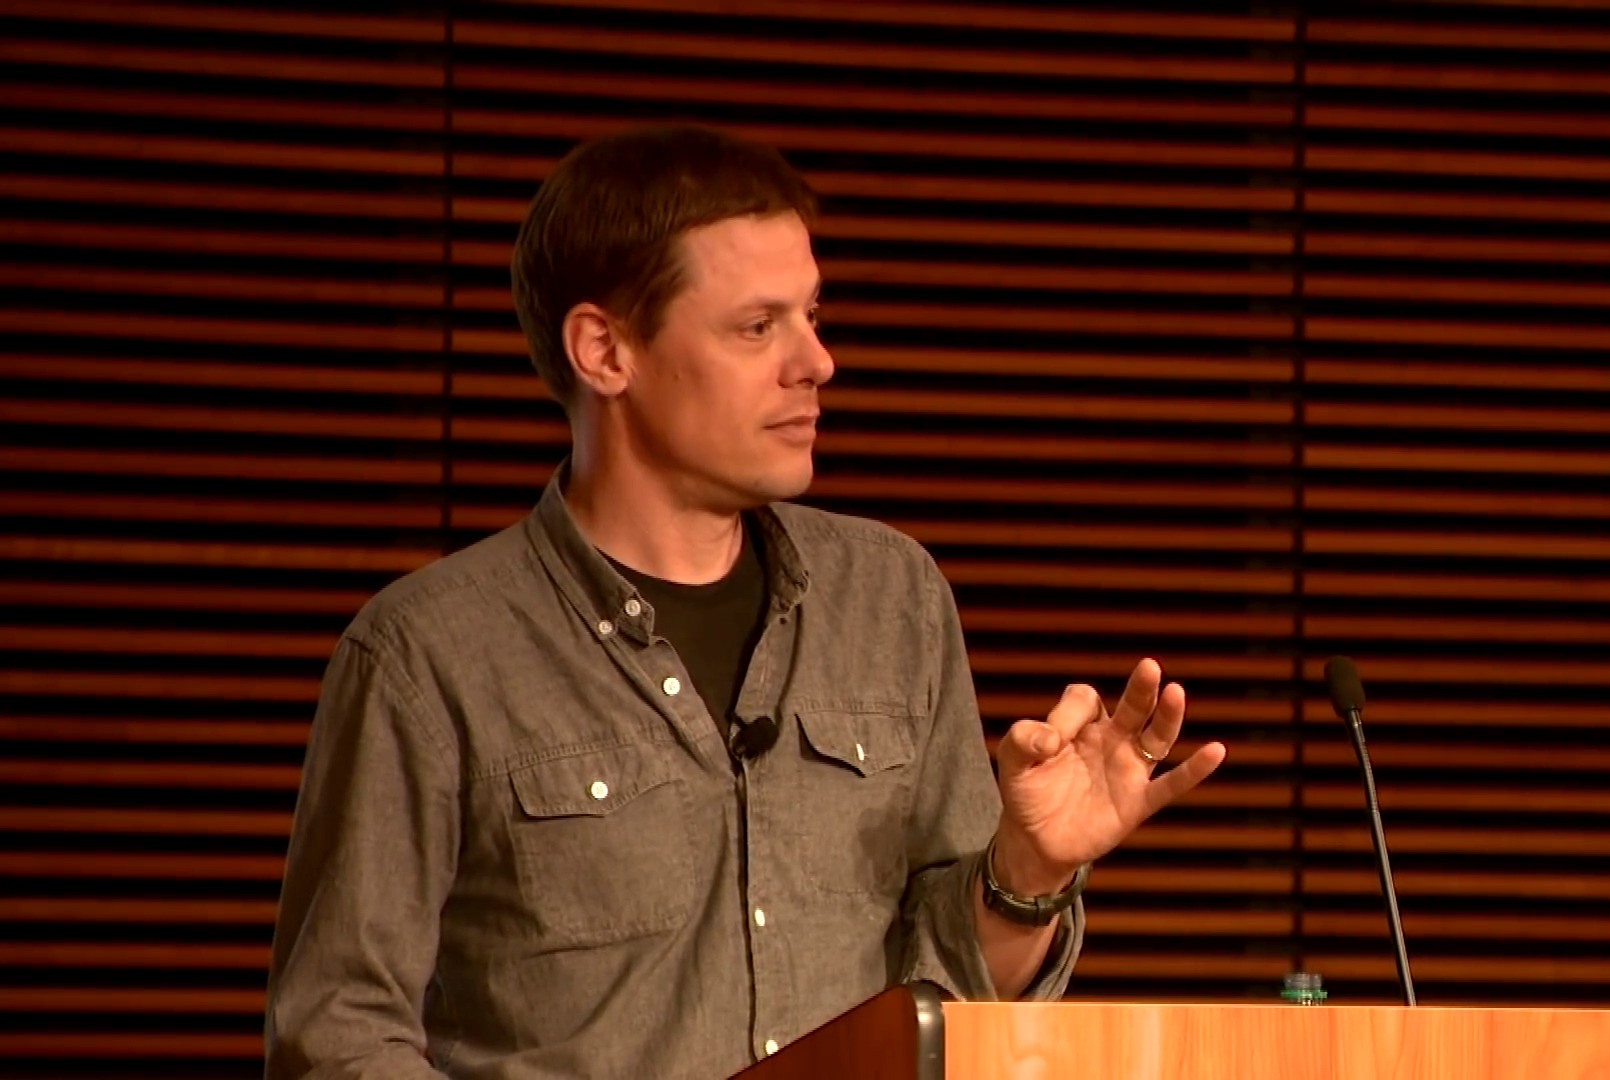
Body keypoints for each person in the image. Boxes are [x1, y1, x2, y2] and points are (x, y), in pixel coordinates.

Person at [265, 124, 1227, 1080]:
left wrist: (1028, 872)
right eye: (757, 326)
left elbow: (944, 1002)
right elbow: (340, 1043)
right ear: (605, 351)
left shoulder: (892, 598)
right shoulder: (426, 653)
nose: (816, 362)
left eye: (813, 315)